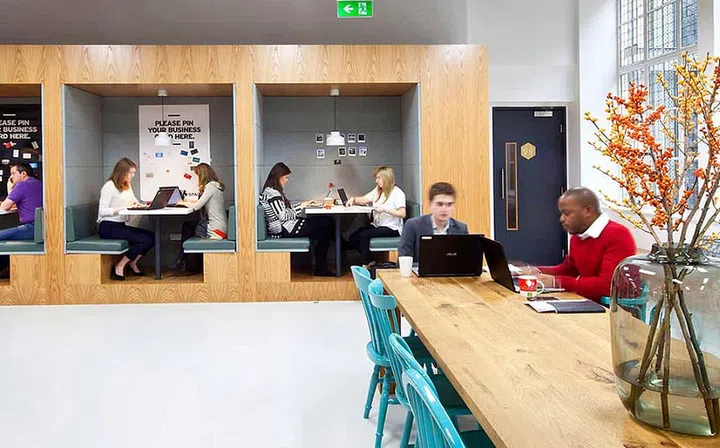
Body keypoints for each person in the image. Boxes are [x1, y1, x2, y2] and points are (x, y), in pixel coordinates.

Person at [536, 186, 637, 302]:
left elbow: (608, 285)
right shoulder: (578, 237)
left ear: (588, 211)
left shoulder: (618, 235)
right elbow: (568, 270)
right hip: (589, 301)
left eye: (566, 213)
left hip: (612, 307)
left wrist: (556, 282)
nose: (561, 219)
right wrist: (535, 271)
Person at [260, 162, 335, 277]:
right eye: (286, 177)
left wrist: (303, 204)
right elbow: (282, 216)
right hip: (284, 228)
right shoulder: (273, 194)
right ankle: (342, 247)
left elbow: (284, 210)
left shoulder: (271, 191)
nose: (287, 180)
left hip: (286, 226)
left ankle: (321, 267)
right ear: (278, 177)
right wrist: (301, 207)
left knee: (325, 230)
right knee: (327, 222)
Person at [98, 158, 155, 281]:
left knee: (153, 237)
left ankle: (133, 261)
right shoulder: (109, 187)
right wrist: (123, 208)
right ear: (122, 172)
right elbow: (102, 211)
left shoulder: (127, 185)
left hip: (121, 225)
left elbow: (133, 201)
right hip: (108, 227)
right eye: (131, 173)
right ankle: (120, 265)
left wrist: (141, 205)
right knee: (145, 240)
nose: (133, 175)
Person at [170, 163, 228, 274]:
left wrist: (182, 203)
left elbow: (197, 206)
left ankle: (185, 263)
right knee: (189, 226)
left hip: (216, 230)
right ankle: (185, 262)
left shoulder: (210, 187)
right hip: (220, 226)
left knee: (187, 227)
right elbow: (201, 201)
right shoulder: (216, 186)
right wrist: (187, 201)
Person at [346, 167, 406, 267]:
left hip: (392, 228)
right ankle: (370, 260)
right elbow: (365, 199)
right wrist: (353, 199)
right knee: (354, 236)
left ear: (386, 178)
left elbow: (402, 213)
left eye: (378, 178)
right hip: (378, 225)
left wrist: (385, 210)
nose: (376, 181)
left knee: (364, 235)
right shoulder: (378, 191)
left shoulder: (398, 193)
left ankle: (365, 264)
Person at [399, 182, 468, 262]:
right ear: (430, 204)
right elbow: (404, 258)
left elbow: (465, 260)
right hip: (420, 269)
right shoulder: (413, 226)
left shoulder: (461, 228)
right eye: (439, 204)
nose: (444, 209)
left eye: (449, 204)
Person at [0, 163, 44, 278]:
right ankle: (5, 269)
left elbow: (4, 206)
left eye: (13, 174)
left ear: (23, 173)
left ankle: (4, 270)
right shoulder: (39, 183)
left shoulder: (22, 185)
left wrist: (10, 187)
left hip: (32, 228)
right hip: (41, 227)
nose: (11, 177)